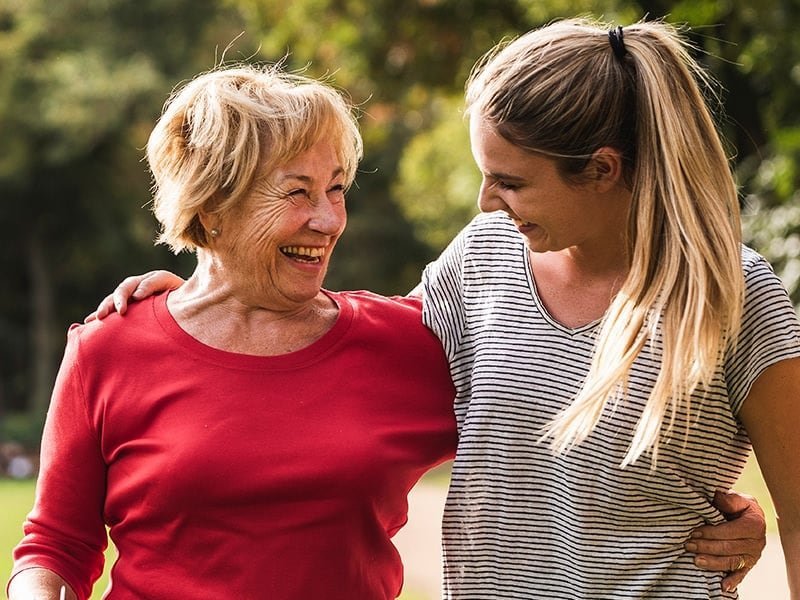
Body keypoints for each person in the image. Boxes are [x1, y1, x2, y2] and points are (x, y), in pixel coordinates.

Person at [80, 18, 785, 600]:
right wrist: (218, 296)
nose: (485, 203)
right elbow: (341, 359)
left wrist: (745, 526)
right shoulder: (483, 260)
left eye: (510, 181)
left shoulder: (737, 298)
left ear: (602, 170)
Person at [7, 65, 459, 600]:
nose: (328, 220)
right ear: (213, 203)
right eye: (297, 192)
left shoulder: (410, 342)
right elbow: (56, 546)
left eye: (336, 189)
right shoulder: (108, 348)